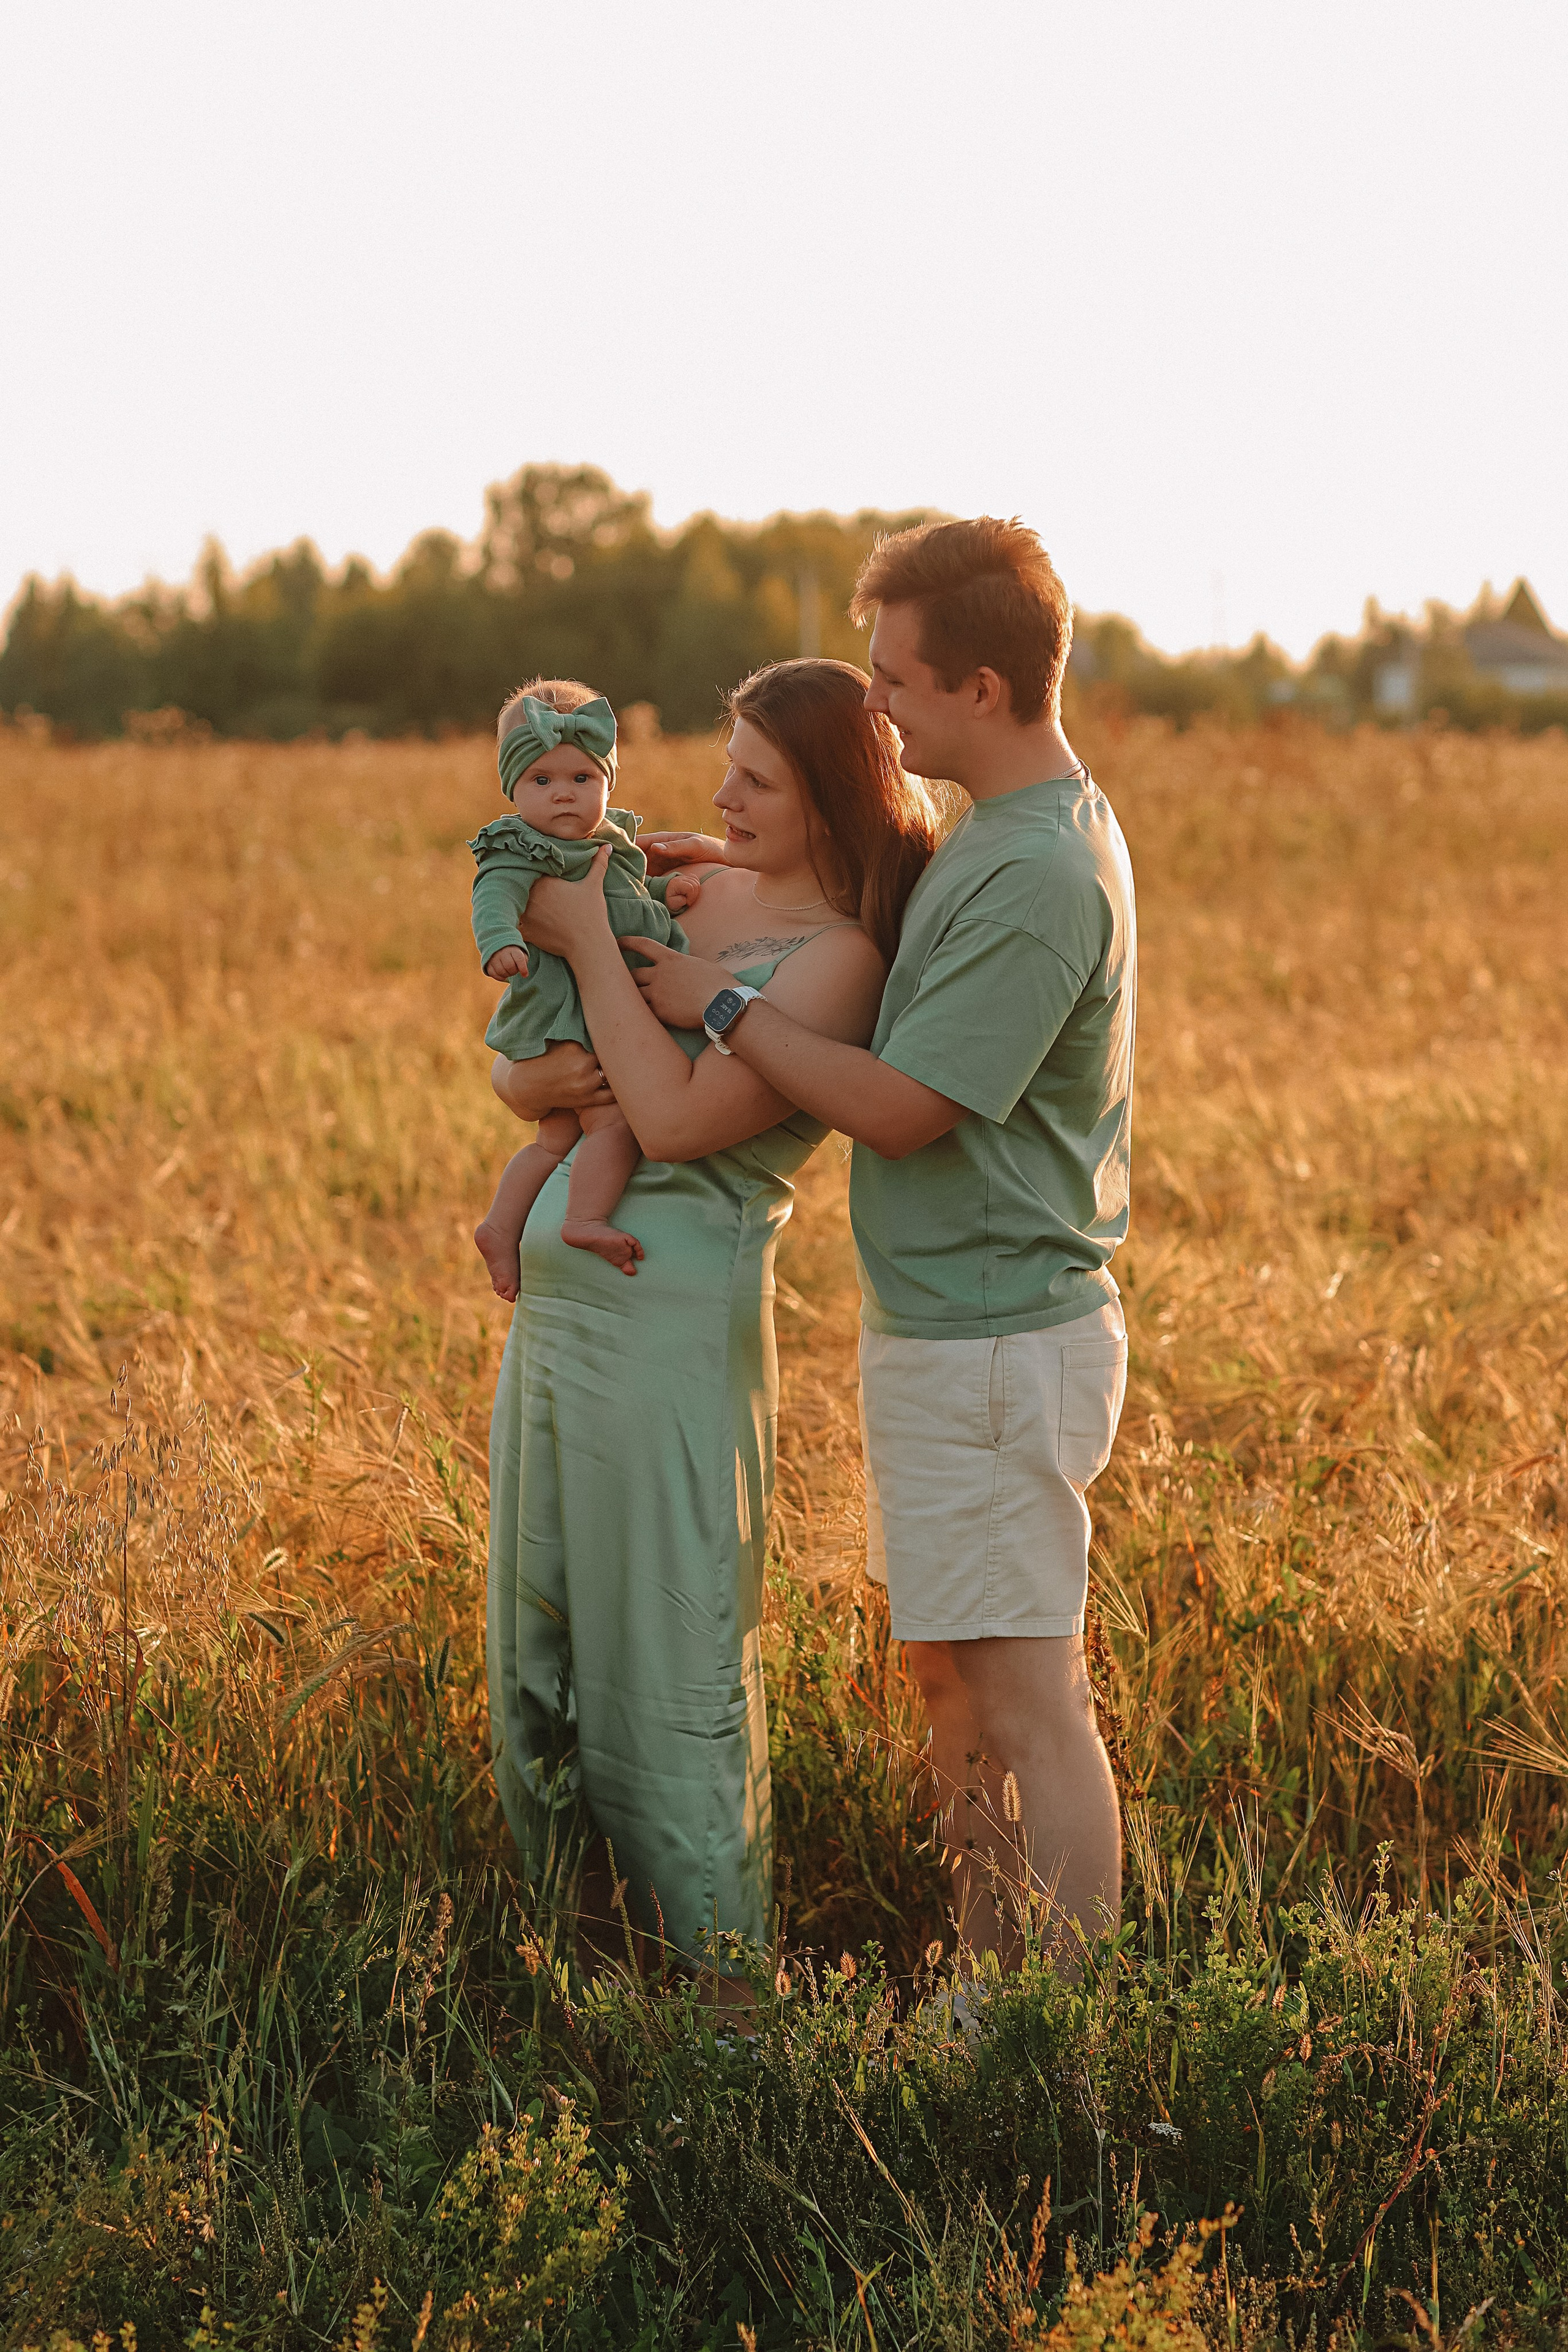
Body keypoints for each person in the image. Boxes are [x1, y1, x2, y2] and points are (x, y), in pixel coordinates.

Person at [627, 518, 1136, 1973]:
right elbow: (875, 936)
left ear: (980, 686)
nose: (876, 708)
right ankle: (984, 1987)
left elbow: (903, 1108)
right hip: (952, 1327)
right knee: (954, 1689)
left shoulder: (1040, 870)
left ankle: (1047, 2022)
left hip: (993, 1336)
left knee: (1028, 1697)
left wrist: (713, 1005)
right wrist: (730, 893)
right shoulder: (1002, 835)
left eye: (896, 681)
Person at [484, 658, 939, 1974]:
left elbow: (675, 1120)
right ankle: (567, 1966)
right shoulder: (687, 883)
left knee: (663, 1656)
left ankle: (715, 2003)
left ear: (827, 801)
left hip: (669, 1332)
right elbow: (541, 1060)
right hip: (561, 1326)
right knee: (541, 1643)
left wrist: (579, 940)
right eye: (724, 763)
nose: (721, 793)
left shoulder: (838, 961)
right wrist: (531, 1077)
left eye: (755, 778)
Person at [469, 679, 706, 1294]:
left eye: (582, 780)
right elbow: (493, 895)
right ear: (513, 788)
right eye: (541, 781)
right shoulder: (520, 846)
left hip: (601, 1007)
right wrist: (499, 942)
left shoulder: (613, 844)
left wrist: (662, 894)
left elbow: (625, 898)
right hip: (560, 1011)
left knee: (555, 1138)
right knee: (614, 1124)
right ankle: (584, 1218)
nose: (564, 796)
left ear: (608, 783)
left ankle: (500, 1225)